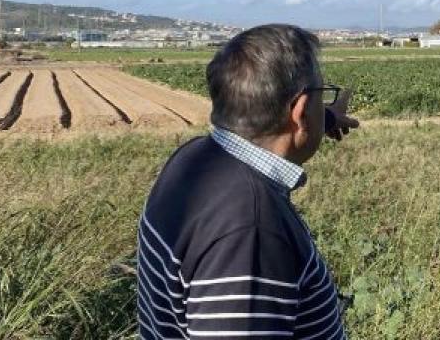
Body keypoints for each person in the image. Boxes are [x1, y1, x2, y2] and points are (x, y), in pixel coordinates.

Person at [136, 24, 359, 339]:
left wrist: (325, 119)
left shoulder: (192, 161)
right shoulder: (252, 229)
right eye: (321, 97)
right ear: (299, 110)